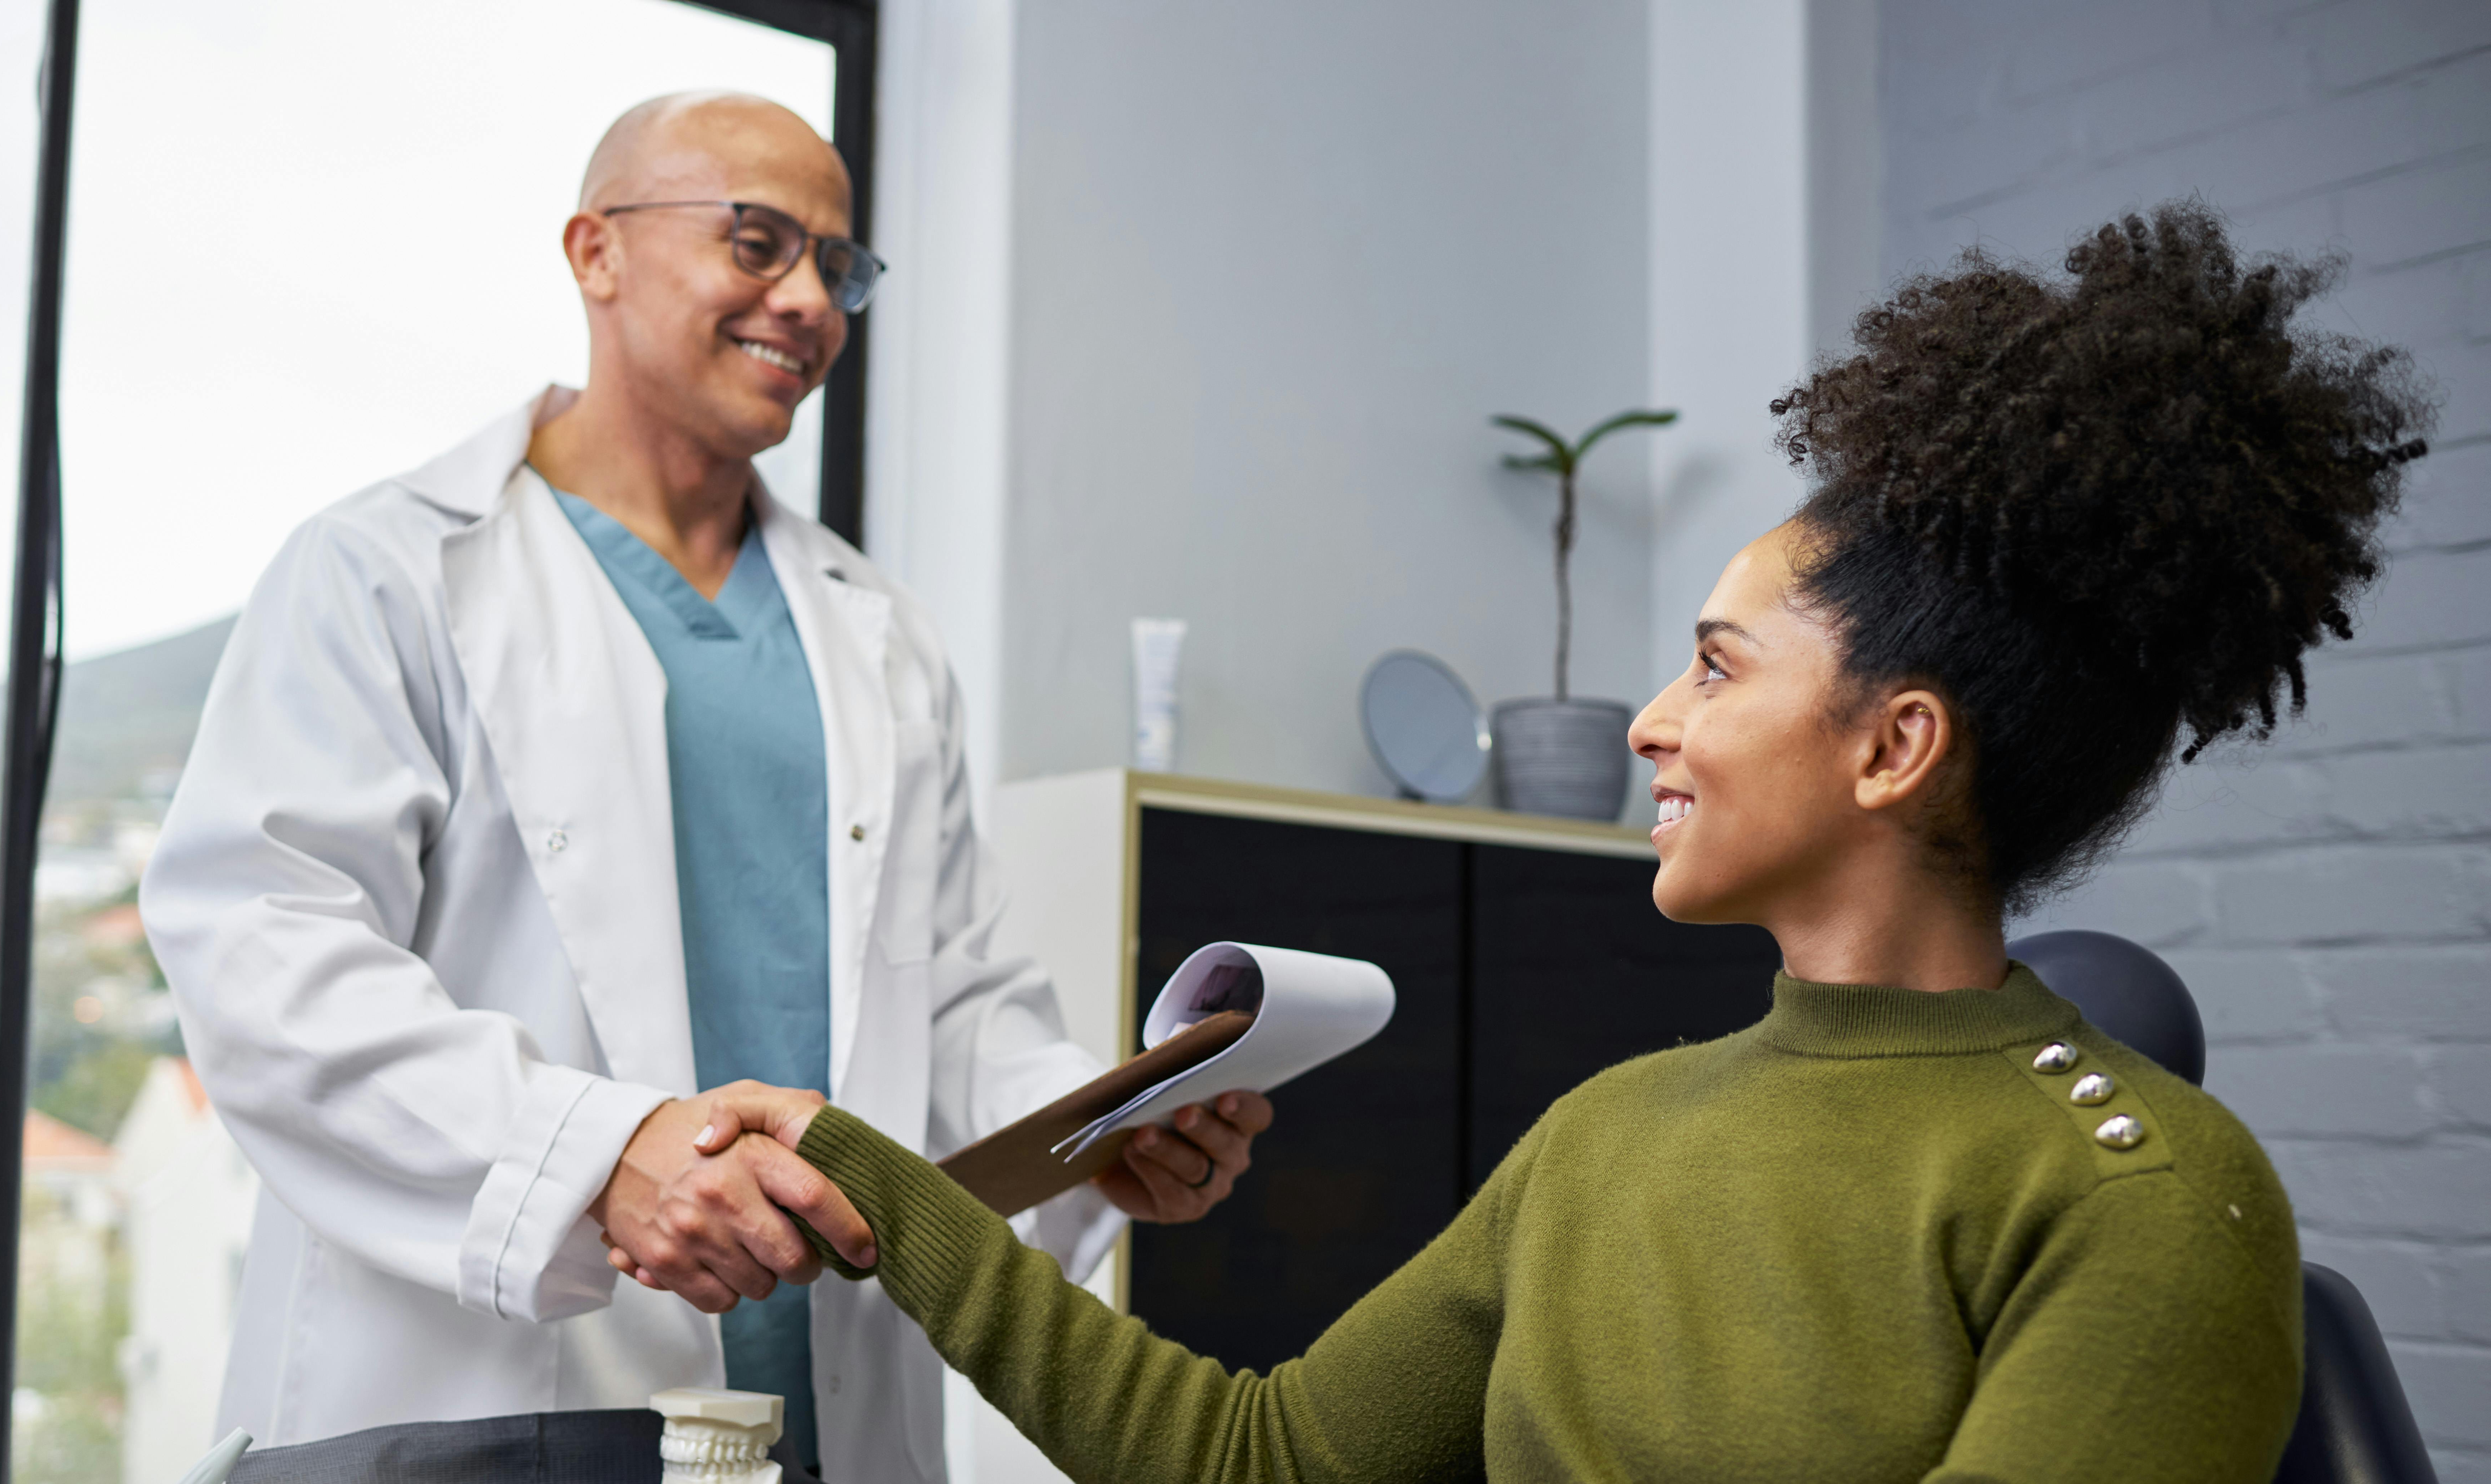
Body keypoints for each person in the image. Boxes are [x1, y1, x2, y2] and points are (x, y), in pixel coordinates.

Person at [655, 201, 2433, 1482]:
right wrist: (865, 1169)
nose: (1653, 720)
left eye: (1718, 668)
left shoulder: (2143, 1199)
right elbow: (1259, 1458)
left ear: (1895, 748)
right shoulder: (1609, 1137)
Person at [139, 92, 1270, 1480]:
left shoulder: (882, 639)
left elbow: (958, 1004)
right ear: (594, 253)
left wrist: (1090, 1131)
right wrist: (599, 1154)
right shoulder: (385, 575)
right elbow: (266, 962)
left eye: (838, 268)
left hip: (824, 1420)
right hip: (473, 1409)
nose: (808, 302)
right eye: (756, 243)